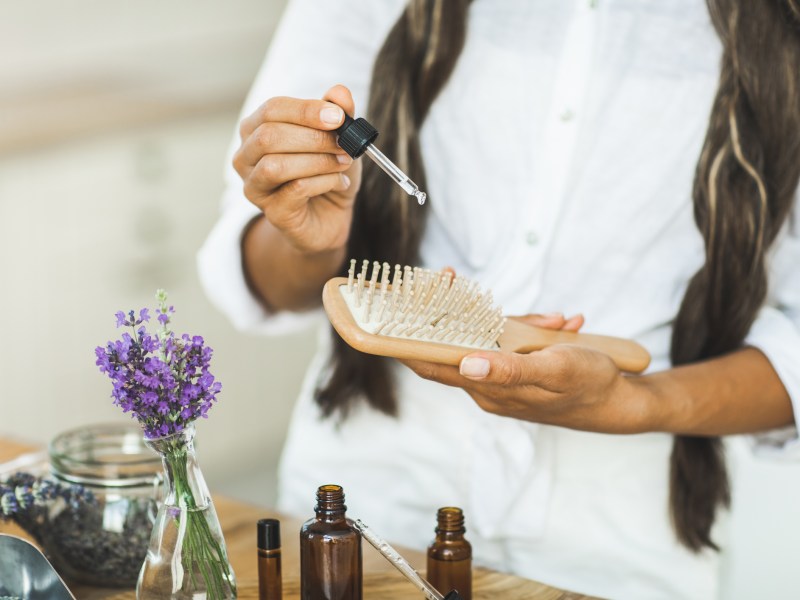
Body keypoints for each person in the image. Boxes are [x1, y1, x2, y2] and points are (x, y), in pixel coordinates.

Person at [198, 1, 800, 598]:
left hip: (622, 540)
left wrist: (638, 403)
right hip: (372, 495)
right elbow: (257, 276)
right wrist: (309, 241)